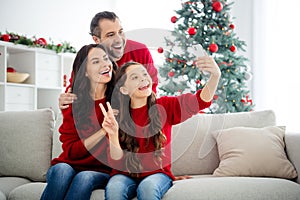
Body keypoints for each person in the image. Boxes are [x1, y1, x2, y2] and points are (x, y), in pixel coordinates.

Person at [101, 54, 221, 200]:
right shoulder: (116, 117)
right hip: (123, 175)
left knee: (148, 188)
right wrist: (113, 134)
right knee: (114, 189)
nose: (143, 79)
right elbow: (115, 162)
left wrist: (215, 76)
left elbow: (200, 101)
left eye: (144, 74)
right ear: (124, 90)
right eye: (134, 77)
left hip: (157, 175)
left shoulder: (165, 106)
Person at [40, 44, 117, 200]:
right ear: (85, 72)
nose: (104, 64)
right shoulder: (73, 102)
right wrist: (102, 131)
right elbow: (71, 152)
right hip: (68, 165)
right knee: (61, 171)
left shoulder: (120, 101)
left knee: (84, 178)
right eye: (95, 61)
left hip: (101, 171)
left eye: (105, 58)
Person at [59, 11, 158, 109]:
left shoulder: (140, 51)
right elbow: (75, 86)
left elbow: (151, 86)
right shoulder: (88, 56)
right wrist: (65, 99)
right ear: (97, 40)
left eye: (120, 32)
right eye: (110, 35)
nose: (119, 39)